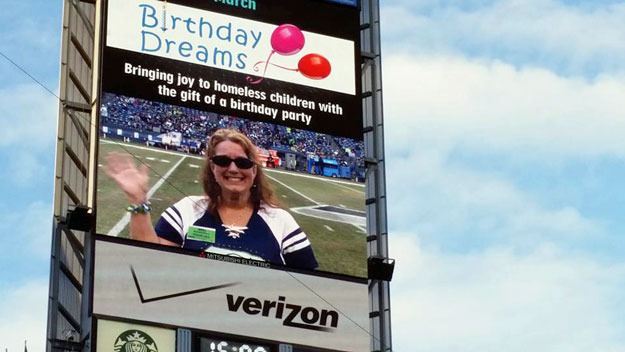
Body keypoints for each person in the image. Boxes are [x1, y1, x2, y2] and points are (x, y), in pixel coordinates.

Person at [105, 128, 318, 270]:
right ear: (212, 168)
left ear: (254, 171)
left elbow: (312, 283)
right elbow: (150, 257)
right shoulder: (187, 209)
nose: (233, 169)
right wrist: (138, 200)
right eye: (223, 160)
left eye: (243, 163)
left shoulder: (281, 221)